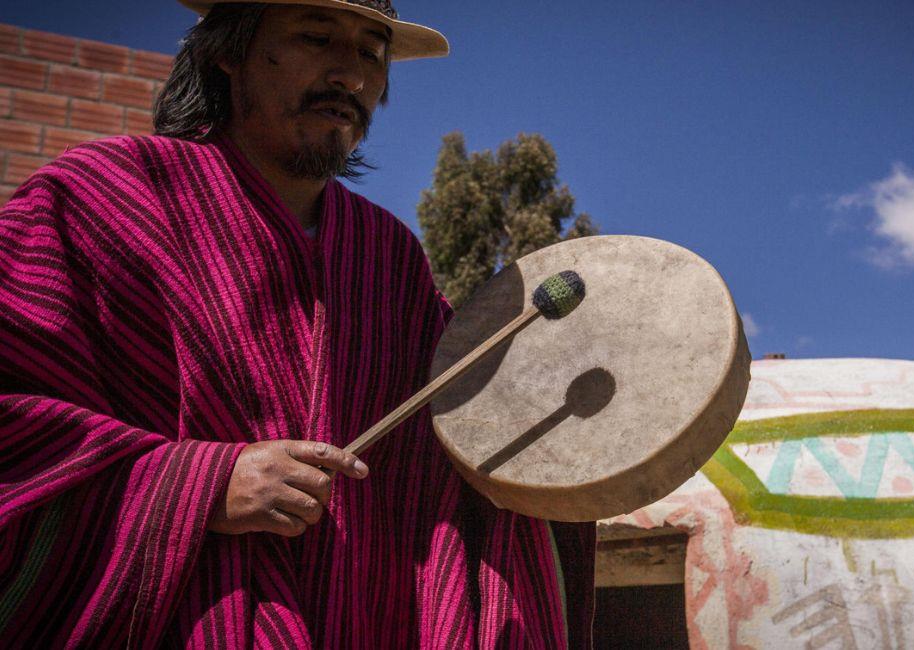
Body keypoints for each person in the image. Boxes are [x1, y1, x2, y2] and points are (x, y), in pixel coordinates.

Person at [0, 1, 594, 646]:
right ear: (229, 51)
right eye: (317, 38)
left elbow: (450, 454)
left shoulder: (388, 257)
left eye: (372, 52)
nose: (351, 75)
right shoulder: (100, 198)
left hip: (357, 618)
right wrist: (199, 483)